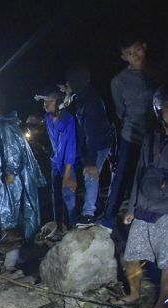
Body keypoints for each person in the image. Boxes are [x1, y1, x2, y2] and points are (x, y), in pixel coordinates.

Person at [113, 84, 168, 308]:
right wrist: (132, 206)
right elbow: (139, 171)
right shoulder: (150, 137)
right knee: (131, 255)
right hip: (144, 208)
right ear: (159, 110)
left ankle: (161, 304)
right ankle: (134, 294)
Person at [101, 36, 157, 233]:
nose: (135, 56)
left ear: (145, 46)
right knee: (122, 176)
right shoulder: (119, 81)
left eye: (137, 50)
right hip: (130, 135)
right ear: (124, 57)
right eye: (129, 54)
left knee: (149, 177)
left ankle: (145, 219)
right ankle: (108, 222)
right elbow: (120, 111)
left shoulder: (158, 74)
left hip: (155, 137)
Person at [0, 104, 46, 258]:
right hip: (15, 177)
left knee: (22, 210)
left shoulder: (4, 125)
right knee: (19, 212)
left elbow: (11, 149)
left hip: (17, 177)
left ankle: (27, 250)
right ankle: (20, 253)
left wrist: (11, 172)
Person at [64, 67, 115, 227]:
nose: (67, 85)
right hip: (90, 144)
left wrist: (91, 161)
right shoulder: (80, 98)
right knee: (90, 173)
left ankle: (88, 214)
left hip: (98, 143)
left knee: (90, 174)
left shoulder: (91, 101)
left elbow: (91, 133)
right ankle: (96, 207)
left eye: (69, 82)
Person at [35, 88, 79, 241]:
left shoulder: (68, 119)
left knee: (68, 194)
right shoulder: (48, 118)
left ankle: (74, 227)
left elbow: (71, 148)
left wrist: (67, 175)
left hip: (68, 164)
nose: (46, 104)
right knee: (56, 196)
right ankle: (59, 228)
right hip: (56, 162)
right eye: (45, 101)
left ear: (59, 103)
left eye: (50, 101)